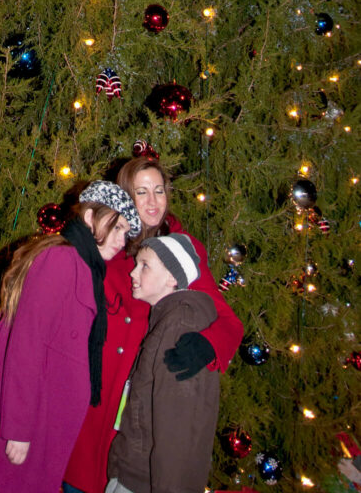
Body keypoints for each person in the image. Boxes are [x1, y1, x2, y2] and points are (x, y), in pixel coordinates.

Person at [0, 181, 141, 493]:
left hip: (44, 419)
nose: (121, 240)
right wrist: (18, 429)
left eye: (126, 232)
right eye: (117, 227)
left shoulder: (86, 267)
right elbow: (26, 346)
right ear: (89, 217)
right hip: (22, 424)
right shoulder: (62, 260)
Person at [63, 158, 243, 493]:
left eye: (158, 190)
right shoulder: (107, 244)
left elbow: (228, 322)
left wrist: (208, 345)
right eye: (141, 192)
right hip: (90, 408)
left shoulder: (182, 251)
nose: (152, 201)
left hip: (136, 419)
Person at [105, 234, 220, 493]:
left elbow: (178, 428)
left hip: (145, 482)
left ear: (172, 277)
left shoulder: (179, 327)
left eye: (144, 265)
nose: (133, 273)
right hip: (133, 474)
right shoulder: (165, 319)